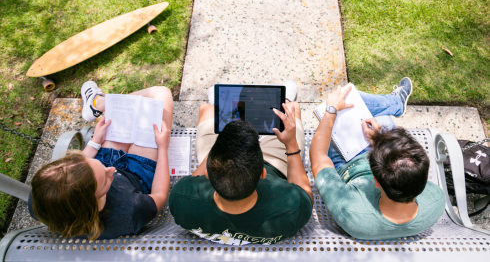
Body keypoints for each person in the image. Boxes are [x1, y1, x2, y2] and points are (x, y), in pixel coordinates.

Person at [169, 82, 313, 246]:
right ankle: (283, 100)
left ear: (208, 174)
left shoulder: (181, 199)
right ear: (262, 174)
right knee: (293, 107)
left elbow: (194, 180)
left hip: (228, 164)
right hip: (271, 164)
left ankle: (219, 107)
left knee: (206, 110)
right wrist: (291, 144)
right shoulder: (291, 208)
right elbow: (306, 196)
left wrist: (224, 143)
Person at [28, 81, 173, 240]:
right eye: (105, 179)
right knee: (161, 94)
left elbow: (76, 167)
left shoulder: (43, 198)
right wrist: (162, 148)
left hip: (106, 156)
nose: (111, 169)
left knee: (130, 113)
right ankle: (98, 102)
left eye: (93, 164)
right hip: (138, 173)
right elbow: (160, 194)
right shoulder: (132, 209)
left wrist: (95, 142)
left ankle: (97, 103)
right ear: (94, 206)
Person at [310, 77, 445, 240]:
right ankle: (396, 103)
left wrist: (331, 110)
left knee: (348, 101)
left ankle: (395, 102)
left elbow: (318, 156)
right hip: (384, 170)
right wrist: (377, 140)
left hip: (347, 166)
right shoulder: (436, 200)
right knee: (380, 119)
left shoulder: (350, 210)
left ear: (375, 180)